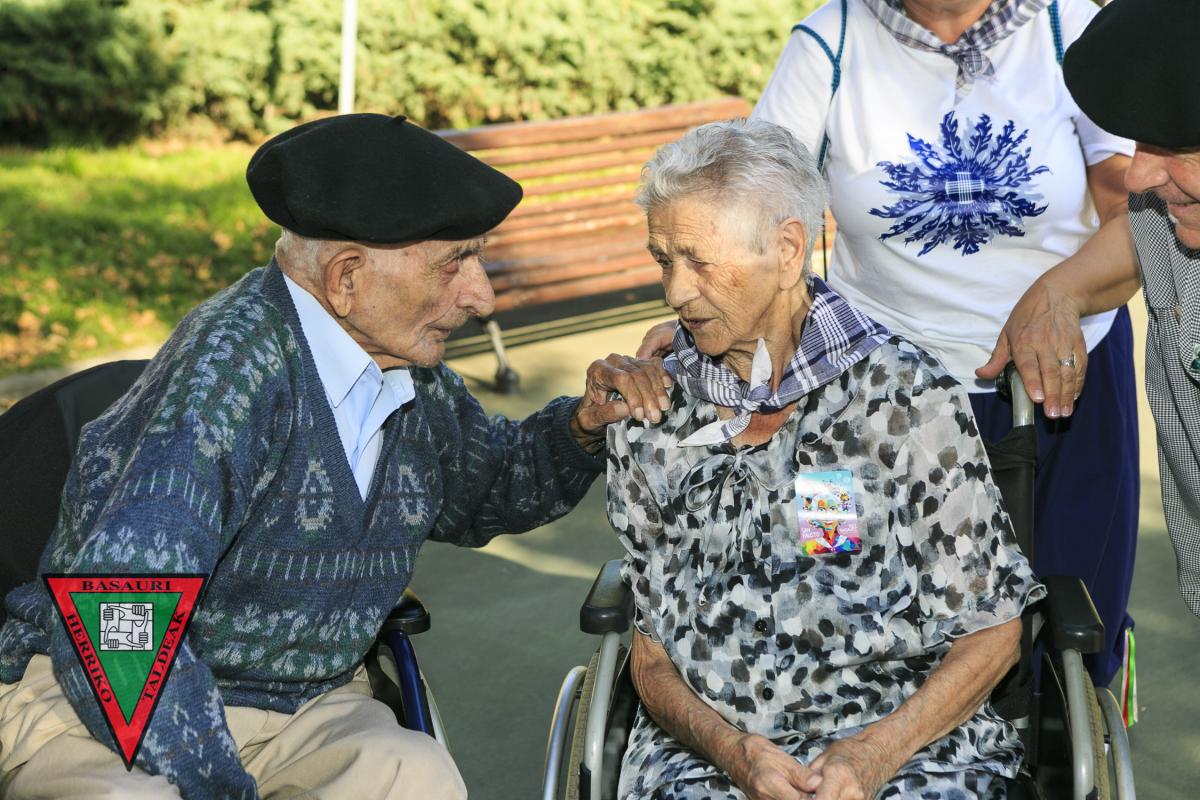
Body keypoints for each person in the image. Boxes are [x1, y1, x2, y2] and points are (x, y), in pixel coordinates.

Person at [0, 114, 672, 799]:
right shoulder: (226, 374)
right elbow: (118, 620)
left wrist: (583, 426)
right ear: (347, 278)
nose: (482, 296)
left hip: (305, 707)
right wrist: (219, 785)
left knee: (415, 776)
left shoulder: (408, 374)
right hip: (108, 709)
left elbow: (488, 483)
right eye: (454, 264)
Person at [641, 0, 1138, 687]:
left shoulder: (1070, 24)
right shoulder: (831, 38)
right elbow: (745, 216)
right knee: (840, 594)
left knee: (1072, 627)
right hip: (861, 398)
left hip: (1059, 382)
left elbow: (1139, 210)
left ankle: (1077, 727)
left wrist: (1063, 294)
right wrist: (707, 313)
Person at [611, 118, 1044, 800]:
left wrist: (871, 756)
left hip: (908, 746)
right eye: (664, 260)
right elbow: (652, 658)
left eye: (699, 261)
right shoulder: (653, 415)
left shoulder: (905, 398)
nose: (676, 292)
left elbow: (991, 632)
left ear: (788, 250)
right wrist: (736, 753)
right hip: (706, 756)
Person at [981, 0, 1200, 617]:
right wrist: (1061, 291)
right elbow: (1128, 239)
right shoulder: (1166, 218)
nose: (1137, 176)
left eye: (1177, 146)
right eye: (1139, 142)